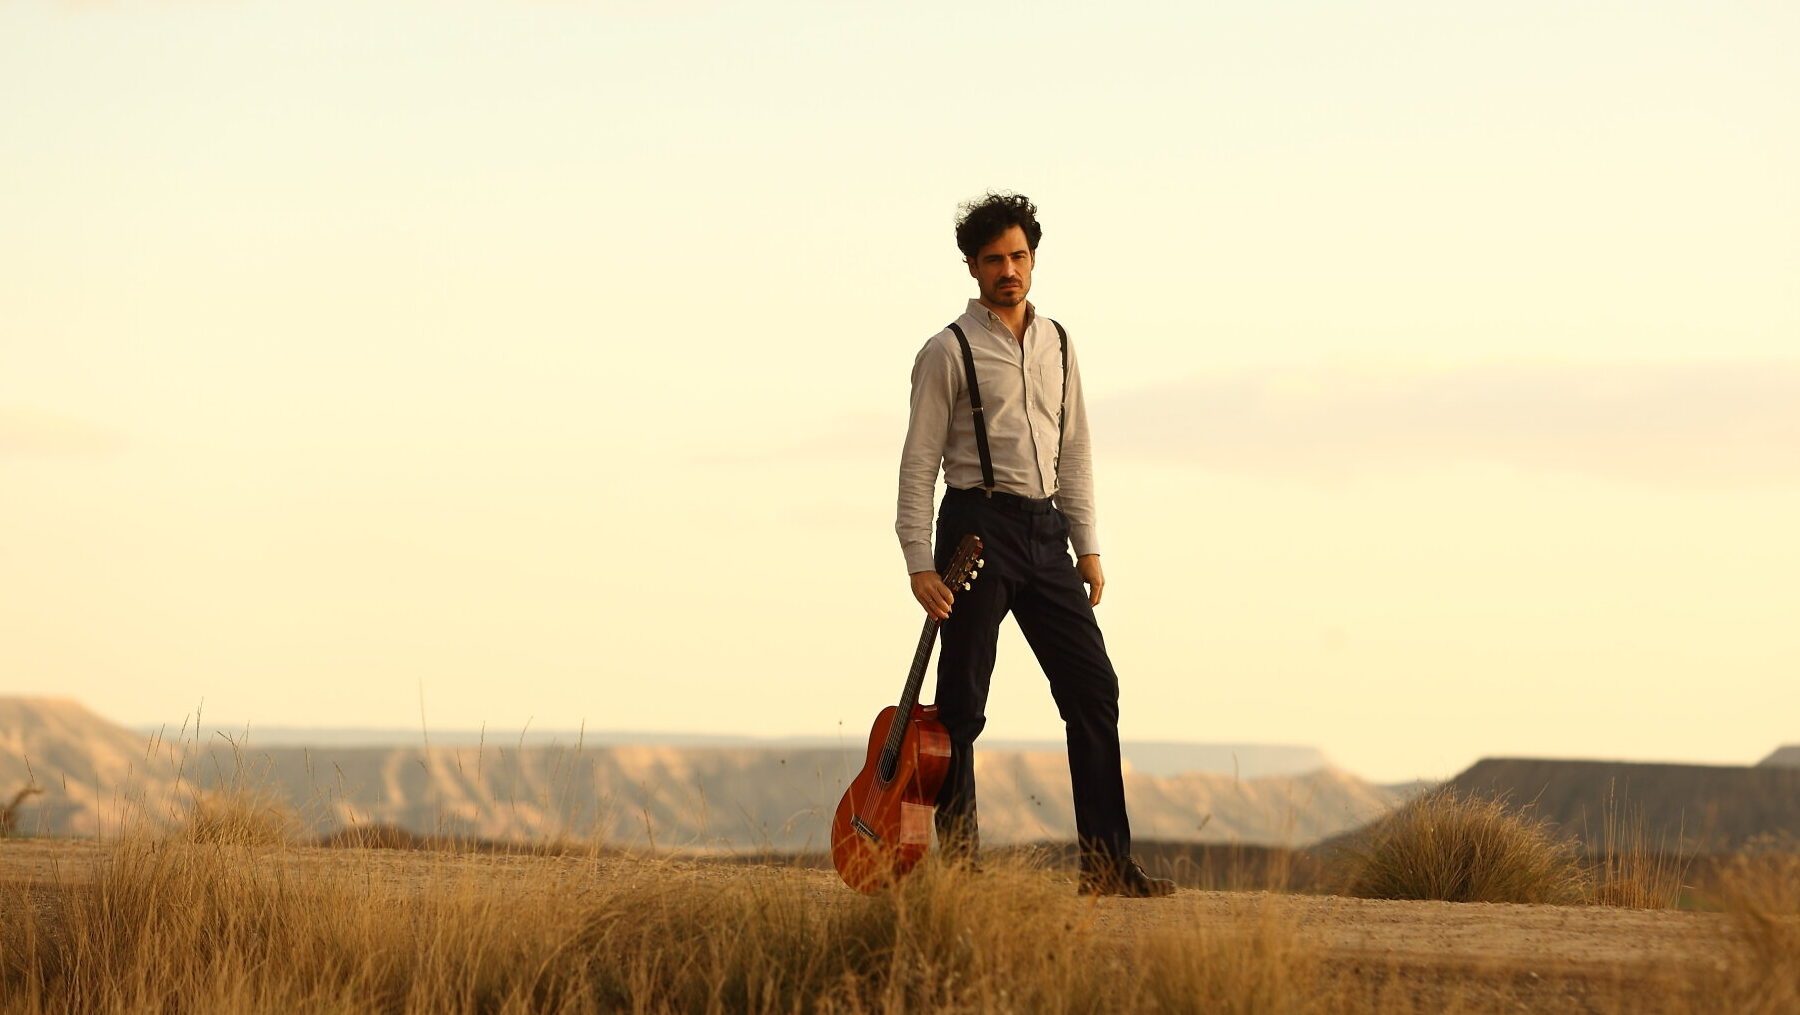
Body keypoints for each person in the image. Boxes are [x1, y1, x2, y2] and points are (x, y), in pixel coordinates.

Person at [895, 192, 1175, 898]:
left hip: (1047, 533)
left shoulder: (1060, 343)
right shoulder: (945, 351)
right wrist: (918, 561)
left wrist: (1088, 544)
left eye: (1019, 256)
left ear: (1033, 258)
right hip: (974, 531)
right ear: (972, 266)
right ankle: (961, 872)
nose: (1009, 270)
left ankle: (1107, 868)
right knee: (960, 708)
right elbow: (918, 461)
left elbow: (1074, 448)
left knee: (1094, 688)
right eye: (994, 259)